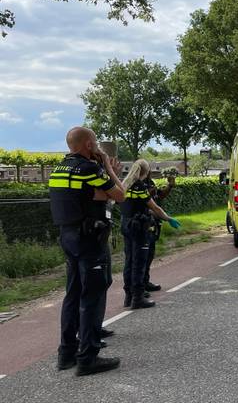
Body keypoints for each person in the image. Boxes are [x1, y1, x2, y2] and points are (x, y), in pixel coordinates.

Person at [49, 127, 125, 376]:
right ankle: (88, 357)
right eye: (95, 144)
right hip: (89, 238)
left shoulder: (59, 169)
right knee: (92, 295)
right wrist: (109, 167)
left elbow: (95, 195)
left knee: (72, 293)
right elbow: (119, 194)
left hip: (67, 236)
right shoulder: (89, 169)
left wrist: (101, 193)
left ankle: (66, 353)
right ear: (89, 145)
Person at [121, 160, 181, 309]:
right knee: (139, 262)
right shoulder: (140, 186)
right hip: (139, 227)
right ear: (146, 171)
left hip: (126, 225)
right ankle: (138, 298)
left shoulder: (124, 185)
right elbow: (154, 207)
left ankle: (128, 296)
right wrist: (168, 218)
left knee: (129, 261)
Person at [143, 174, 175, 292]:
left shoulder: (150, 182)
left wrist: (169, 186)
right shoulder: (137, 185)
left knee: (149, 254)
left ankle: (145, 282)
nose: (148, 172)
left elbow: (160, 195)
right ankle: (137, 288)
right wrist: (165, 217)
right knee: (141, 257)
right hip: (143, 224)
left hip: (153, 223)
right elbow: (145, 207)